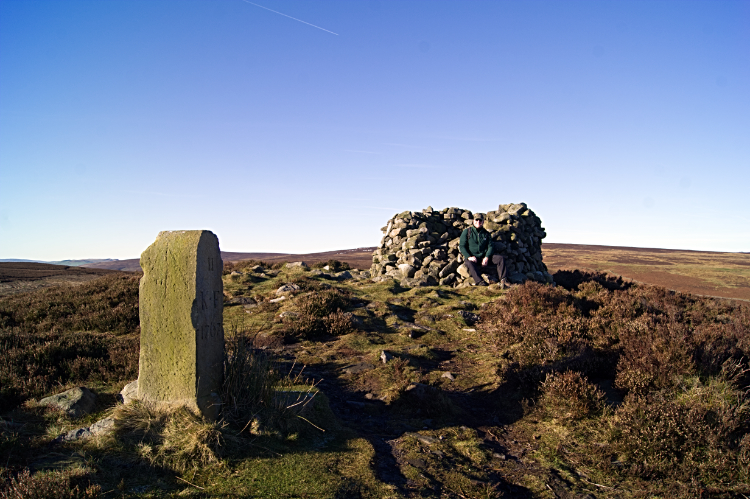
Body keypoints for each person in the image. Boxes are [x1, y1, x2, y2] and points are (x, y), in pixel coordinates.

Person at [459, 213, 510, 288]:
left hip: (484, 257)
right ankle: (480, 281)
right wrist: (469, 257)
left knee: (500, 259)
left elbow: (490, 247)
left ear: (483, 222)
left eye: (480, 220)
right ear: (473, 221)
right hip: (472, 258)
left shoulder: (486, 234)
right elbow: (462, 246)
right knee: (469, 263)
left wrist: (486, 257)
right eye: (476, 220)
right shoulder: (467, 232)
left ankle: (503, 280)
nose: (478, 222)